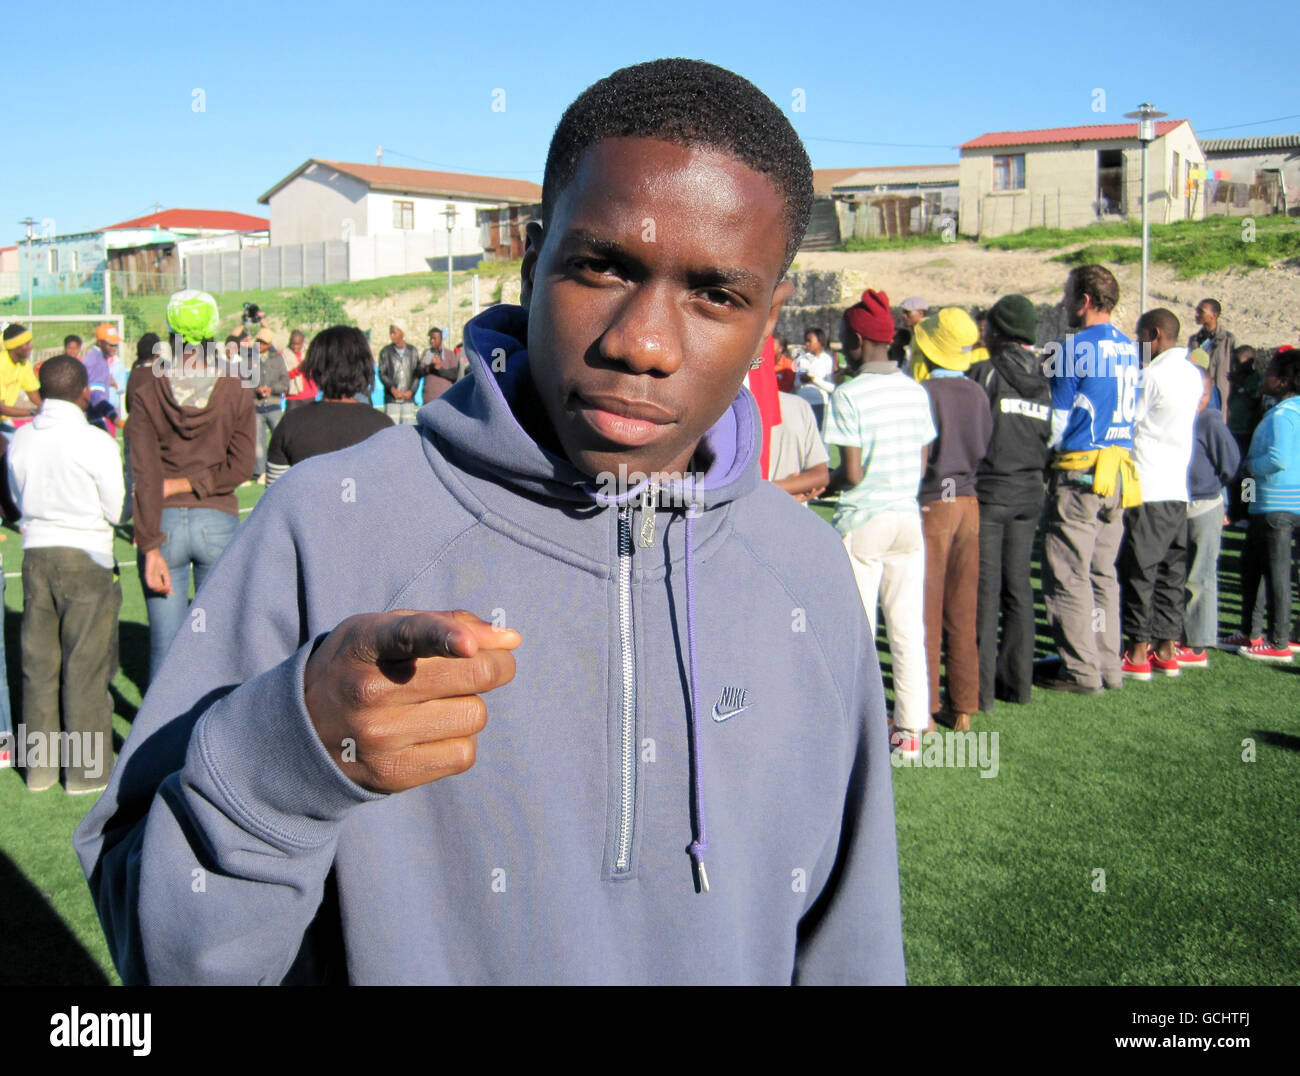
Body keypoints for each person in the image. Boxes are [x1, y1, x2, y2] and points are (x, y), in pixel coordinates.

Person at [75, 57, 905, 986]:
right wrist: (291, 751)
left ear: (772, 315)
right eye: (602, 266)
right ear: (534, 256)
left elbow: (853, 939)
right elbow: (156, 951)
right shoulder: (322, 526)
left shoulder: (809, 573)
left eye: (716, 292)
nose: (644, 341)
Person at [7, 356, 125, 793]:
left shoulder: (21, 442)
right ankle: (86, 772)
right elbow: (114, 510)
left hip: (37, 554)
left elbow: (18, 501)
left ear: (41, 389)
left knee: (37, 665)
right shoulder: (95, 441)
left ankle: (38, 769)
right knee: (85, 665)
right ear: (82, 393)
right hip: (86, 554)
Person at [826, 288, 936, 755]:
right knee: (907, 625)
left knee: (859, 629)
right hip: (906, 516)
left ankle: (860, 726)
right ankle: (912, 727)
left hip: (863, 519)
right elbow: (924, 456)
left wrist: (821, 485)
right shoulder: (915, 390)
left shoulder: (848, 395)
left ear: (856, 339)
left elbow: (851, 473)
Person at [127, 290, 255, 680]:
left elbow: (145, 475)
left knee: (164, 652)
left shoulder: (147, 383)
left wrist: (148, 545)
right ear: (213, 328)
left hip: (161, 524)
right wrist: (193, 483)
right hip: (215, 517)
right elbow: (242, 466)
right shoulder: (235, 384)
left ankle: (157, 742)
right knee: (215, 646)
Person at [1038, 265, 1140, 695]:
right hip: (1118, 471)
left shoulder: (1073, 347)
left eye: (1067, 295)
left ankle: (1080, 671)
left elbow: (1058, 422)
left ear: (1083, 300)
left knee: (1067, 571)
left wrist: (1042, 456)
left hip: (1080, 470)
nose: (1062, 303)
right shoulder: (1130, 347)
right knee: (1102, 572)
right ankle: (1106, 664)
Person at [969, 295, 1051, 710]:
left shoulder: (985, 373)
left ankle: (980, 692)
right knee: (1019, 588)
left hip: (991, 491)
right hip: (1030, 492)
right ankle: (1017, 685)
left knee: (985, 590)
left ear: (998, 330)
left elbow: (970, 432)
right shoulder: (1044, 377)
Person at [913, 308, 992, 730]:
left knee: (925, 608)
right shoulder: (977, 393)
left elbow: (921, 455)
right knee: (963, 608)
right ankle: (962, 705)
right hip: (968, 502)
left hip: (935, 502)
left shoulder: (924, 392)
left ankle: (922, 706)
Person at [1117, 309, 1204, 680]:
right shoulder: (1193, 374)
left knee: (1140, 570)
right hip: (1177, 487)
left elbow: (1127, 421)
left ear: (1154, 335)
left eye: (1140, 338)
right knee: (1171, 571)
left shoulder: (1149, 376)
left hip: (1147, 484)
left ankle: (1137, 651)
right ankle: (1167, 647)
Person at [1228, 349, 1300, 662]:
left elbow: (1278, 459)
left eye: (1270, 371)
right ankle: (1251, 631)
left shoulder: (1285, 415)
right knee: (1252, 568)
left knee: (1276, 573)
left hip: (1275, 504)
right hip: (1268, 504)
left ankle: (1279, 641)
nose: (1264, 375)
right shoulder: (1287, 410)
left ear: (1283, 381)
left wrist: (1250, 466)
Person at [266, 326, 394, 485]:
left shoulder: (290, 425)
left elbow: (274, 498)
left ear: (314, 366)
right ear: (364, 366)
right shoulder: (383, 426)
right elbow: (392, 492)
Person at [1178, 359, 1240, 667]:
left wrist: (1217, 492)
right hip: (1178, 503)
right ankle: (1179, 636)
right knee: (1183, 573)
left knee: (1199, 576)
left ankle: (1197, 645)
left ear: (1205, 392)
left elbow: (1231, 463)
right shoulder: (1180, 417)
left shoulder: (1210, 420)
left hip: (1204, 506)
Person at [766, 390, 828, 502]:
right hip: (790, 506)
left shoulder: (797, 405)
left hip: (784, 508)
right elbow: (820, 476)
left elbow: (821, 476)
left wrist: (771, 493)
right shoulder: (797, 404)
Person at [250, 327, 289, 482]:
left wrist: (271, 389)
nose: (259, 344)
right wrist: (256, 390)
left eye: (263, 342)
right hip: (256, 406)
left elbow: (285, 382)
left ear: (269, 344)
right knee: (258, 441)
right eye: (258, 341)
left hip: (273, 404)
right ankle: (260, 472)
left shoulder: (278, 359)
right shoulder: (249, 359)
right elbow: (243, 382)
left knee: (280, 437)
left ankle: (285, 467)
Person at [1187, 298, 1234, 415]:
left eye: (1201, 311)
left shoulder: (1228, 340)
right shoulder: (1194, 340)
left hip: (1221, 396)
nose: (1196, 314)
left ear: (1214, 315)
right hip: (1199, 394)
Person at [81, 323, 122, 434]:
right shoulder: (96, 361)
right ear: (100, 342)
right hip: (93, 419)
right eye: (110, 345)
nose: (114, 348)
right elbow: (96, 398)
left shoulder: (96, 358)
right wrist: (113, 416)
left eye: (115, 345)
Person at [378, 321, 422, 424]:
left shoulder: (413, 351)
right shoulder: (386, 351)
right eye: (391, 333)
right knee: (392, 431)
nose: (392, 336)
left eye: (394, 332)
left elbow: (417, 374)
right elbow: (382, 373)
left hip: (408, 400)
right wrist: (392, 389)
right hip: (392, 400)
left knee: (408, 431)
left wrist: (411, 391)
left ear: (402, 333)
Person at [794, 327, 834, 430]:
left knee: (820, 435)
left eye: (809, 341)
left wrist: (813, 379)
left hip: (819, 403)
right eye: (806, 341)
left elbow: (831, 387)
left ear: (819, 342)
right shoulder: (801, 359)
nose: (806, 344)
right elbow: (795, 383)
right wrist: (801, 380)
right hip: (803, 402)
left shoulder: (826, 360)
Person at [418, 325, 459, 405]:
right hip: (428, 398)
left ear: (441, 339)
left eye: (434, 338)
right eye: (431, 338)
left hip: (445, 399)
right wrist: (430, 367)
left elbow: (454, 376)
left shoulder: (449, 354)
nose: (432, 341)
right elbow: (419, 373)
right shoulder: (427, 353)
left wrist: (440, 369)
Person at [282, 329, 317, 411]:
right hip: (293, 396)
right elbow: (283, 376)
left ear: (303, 342)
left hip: (309, 395)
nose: (295, 347)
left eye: (298, 344)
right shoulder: (284, 354)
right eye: (293, 344)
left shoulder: (309, 353)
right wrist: (298, 369)